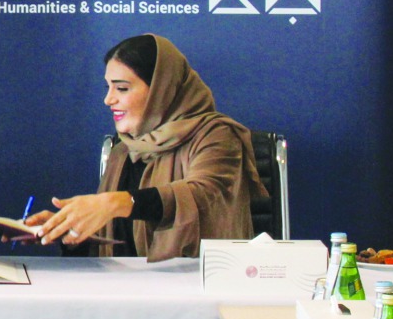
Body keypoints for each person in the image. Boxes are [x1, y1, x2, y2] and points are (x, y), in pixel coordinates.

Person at [27, 33, 265, 260]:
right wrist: (68, 231)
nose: (108, 99)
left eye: (122, 88)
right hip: (126, 285)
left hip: (199, 281)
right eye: (108, 88)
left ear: (162, 89)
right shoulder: (123, 150)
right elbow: (115, 248)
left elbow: (202, 195)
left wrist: (117, 202)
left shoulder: (217, 135)